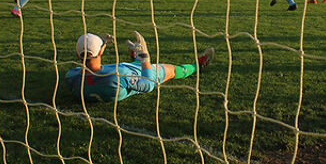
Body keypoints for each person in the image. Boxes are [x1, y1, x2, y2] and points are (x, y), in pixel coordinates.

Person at [67, 31, 215, 102]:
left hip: (106, 73)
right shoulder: (118, 78)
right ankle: (199, 65)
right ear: (101, 51)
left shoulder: (72, 77)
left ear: (76, 54)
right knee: (171, 69)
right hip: (137, 74)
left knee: (114, 67)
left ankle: (135, 59)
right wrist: (145, 58)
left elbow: (88, 63)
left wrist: (102, 44)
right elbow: (148, 84)